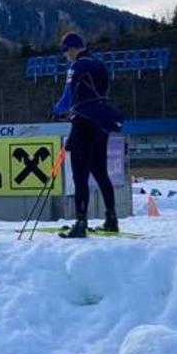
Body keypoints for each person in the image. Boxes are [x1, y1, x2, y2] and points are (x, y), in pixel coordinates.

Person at [51, 32, 123, 238]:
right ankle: (111, 219)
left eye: (65, 52)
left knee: (80, 174)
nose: (66, 56)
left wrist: (56, 111)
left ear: (72, 48)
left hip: (83, 124)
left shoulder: (77, 66)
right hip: (102, 124)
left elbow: (68, 96)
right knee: (101, 173)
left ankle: (80, 223)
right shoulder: (99, 64)